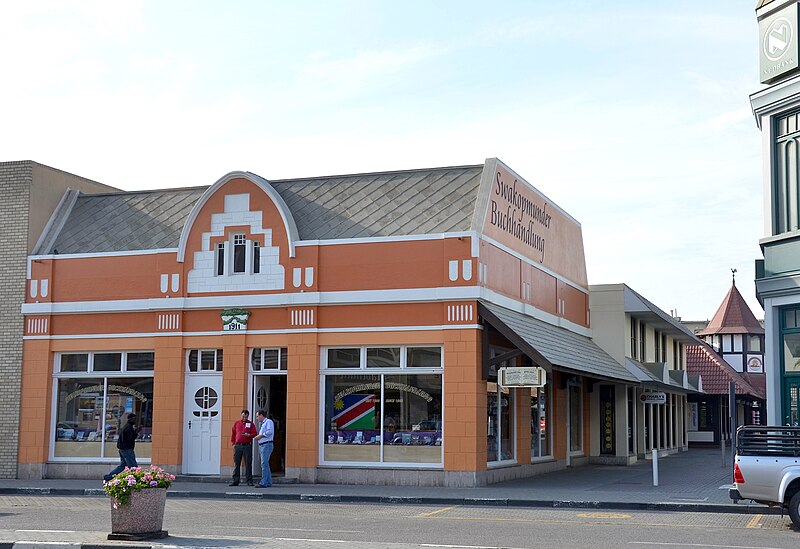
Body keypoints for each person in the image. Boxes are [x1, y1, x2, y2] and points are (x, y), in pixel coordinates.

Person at [103, 413, 140, 482]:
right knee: (133, 466)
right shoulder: (128, 427)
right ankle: (136, 479)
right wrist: (136, 432)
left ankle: (109, 477)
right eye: (134, 419)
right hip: (127, 449)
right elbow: (130, 438)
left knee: (123, 465)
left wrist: (135, 431)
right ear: (130, 419)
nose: (135, 420)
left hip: (122, 449)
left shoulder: (127, 426)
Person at [230, 409, 257, 486]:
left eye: (246, 417)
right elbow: (233, 433)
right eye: (243, 416)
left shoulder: (251, 424)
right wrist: (233, 443)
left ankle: (249, 481)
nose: (244, 418)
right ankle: (235, 480)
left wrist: (249, 435)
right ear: (241, 415)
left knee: (248, 463)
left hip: (247, 445)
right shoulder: (237, 423)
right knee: (237, 463)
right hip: (238, 445)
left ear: (248, 416)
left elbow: (254, 433)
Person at [254, 410, 274, 488]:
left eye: (257, 416)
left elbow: (270, 432)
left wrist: (260, 436)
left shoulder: (268, 422)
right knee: (265, 464)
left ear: (262, 415)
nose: (257, 418)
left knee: (264, 464)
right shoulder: (263, 424)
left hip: (266, 445)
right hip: (263, 445)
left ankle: (263, 482)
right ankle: (268, 482)